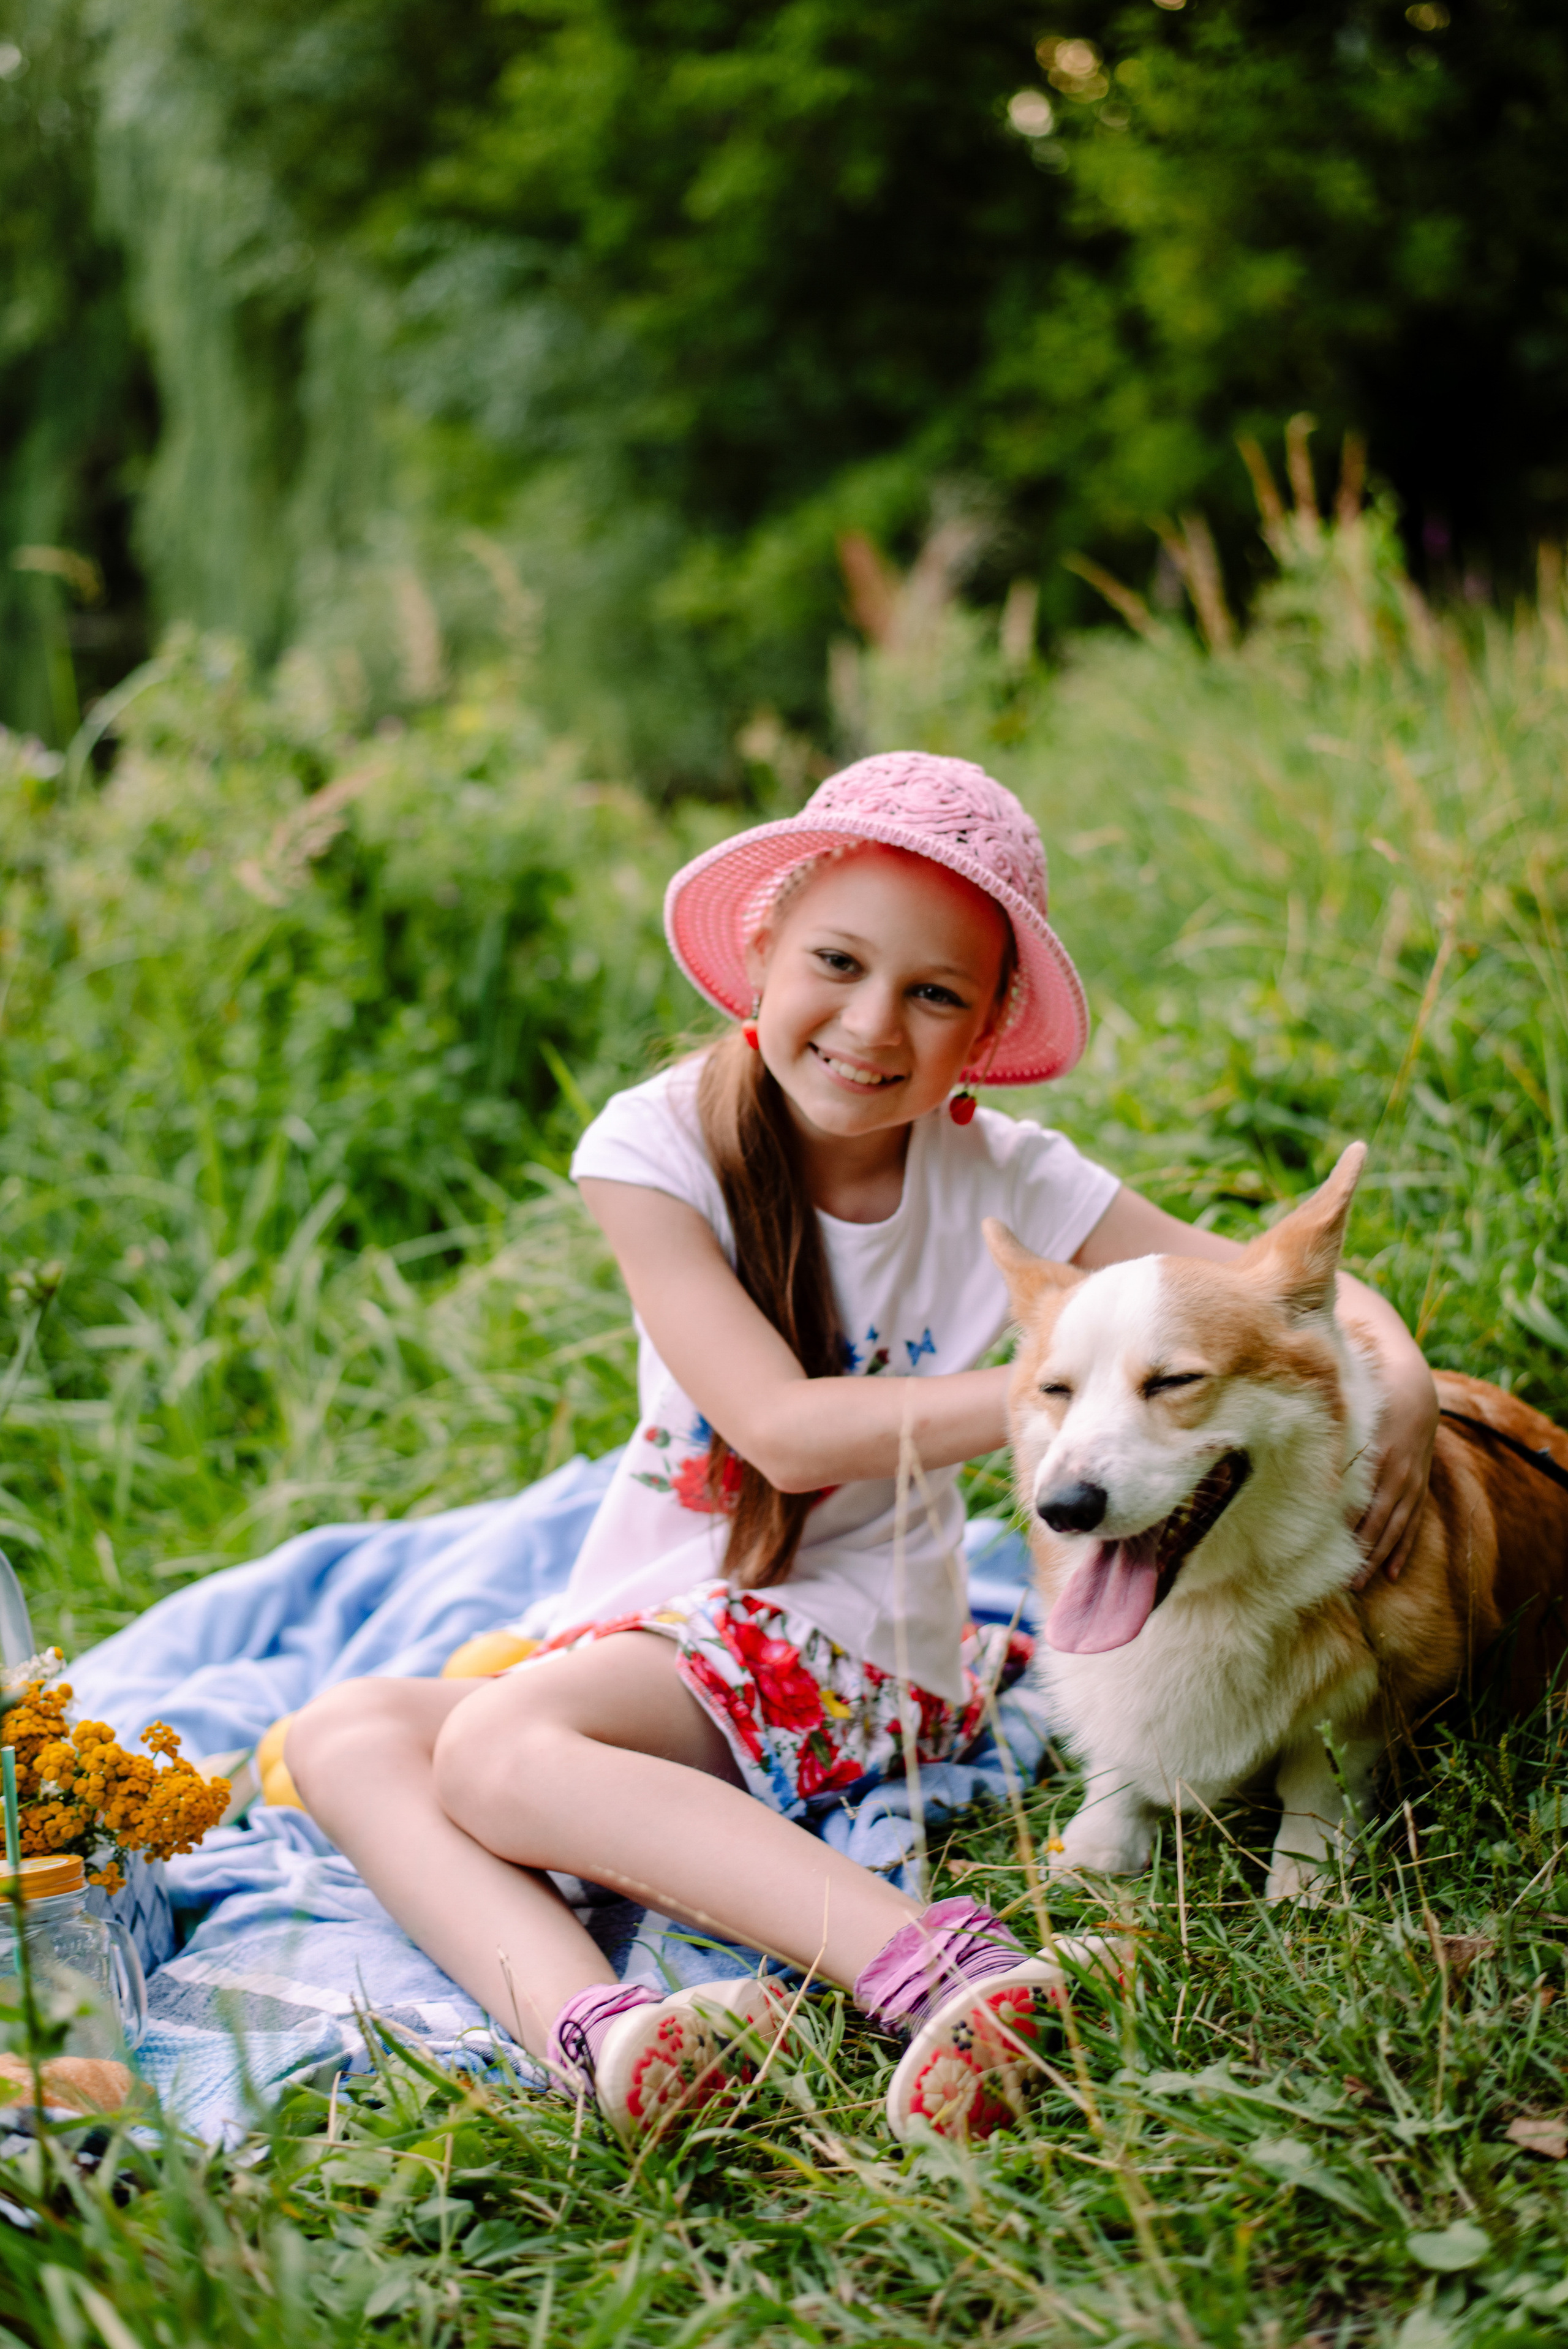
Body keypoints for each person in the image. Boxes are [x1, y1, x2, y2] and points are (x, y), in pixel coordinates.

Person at [286, 752, 1438, 2145]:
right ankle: (607, 2040)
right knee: (343, 1732)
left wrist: (1406, 1377)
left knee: (492, 1753)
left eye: (933, 992)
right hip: (663, 1627)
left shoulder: (1011, 1178)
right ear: (761, 952)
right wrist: (1059, 1387)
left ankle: (948, 1970)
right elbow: (777, 1431)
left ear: (985, 1028)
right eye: (835, 961)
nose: (870, 1023)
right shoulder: (651, 1146)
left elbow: (1280, 1293)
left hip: (856, 1636)